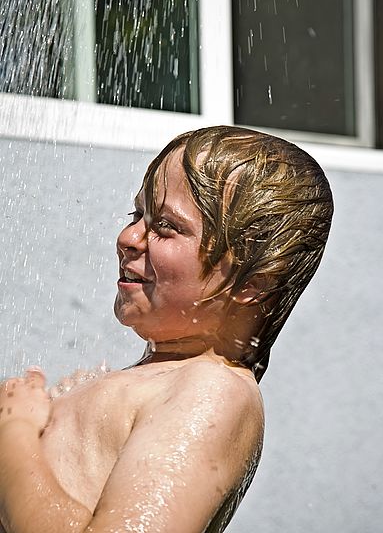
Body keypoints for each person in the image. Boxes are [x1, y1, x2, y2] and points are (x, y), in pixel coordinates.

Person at [0, 125, 333, 533]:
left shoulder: (214, 392)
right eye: (136, 215)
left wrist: (14, 435)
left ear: (252, 283)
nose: (127, 237)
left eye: (165, 227)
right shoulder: (158, 382)